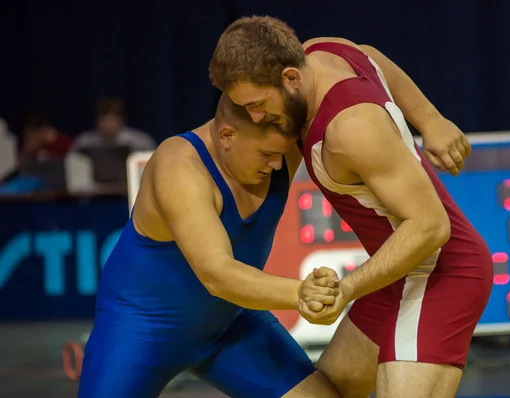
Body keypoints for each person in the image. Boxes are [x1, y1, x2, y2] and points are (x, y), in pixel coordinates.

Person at [209, 16, 494, 398]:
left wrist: (346, 289)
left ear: (291, 79)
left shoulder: (349, 129)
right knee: (330, 393)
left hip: (441, 272)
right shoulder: (326, 51)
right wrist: (431, 119)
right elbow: (374, 59)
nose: (256, 118)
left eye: (259, 104)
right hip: (397, 271)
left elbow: (430, 225)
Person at [77, 93, 341, 398]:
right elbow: (217, 274)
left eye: (282, 152)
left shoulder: (279, 153)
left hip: (228, 324)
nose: (278, 164)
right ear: (227, 135)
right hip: (139, 328)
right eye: (266, 153)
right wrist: (301, 293)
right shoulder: (179, 165)